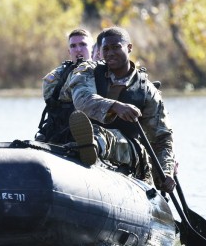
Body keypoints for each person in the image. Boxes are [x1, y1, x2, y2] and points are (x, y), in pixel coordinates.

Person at [65, 26, 176, 193]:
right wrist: (114, 106)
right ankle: (85, 149)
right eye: (106, 49)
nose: (110, 53)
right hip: (82, 135)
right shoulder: (88, 72)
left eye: (116, 47)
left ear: (129, 48)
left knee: (100, 135)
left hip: (130, 150)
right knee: (90, 132)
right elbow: (82, 99)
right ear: (100, 52)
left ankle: (90, 147)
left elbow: (162, 138)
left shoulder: (146, 90)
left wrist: (166, 172)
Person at [35, 28, 93, 143]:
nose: (78, 49)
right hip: (61, 130)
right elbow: (49, 95)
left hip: (93, 131)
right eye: (73, 46)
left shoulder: (103, 70)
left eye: (83, 44)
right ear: (69, 52)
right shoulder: (59, 74)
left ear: (92, 48)